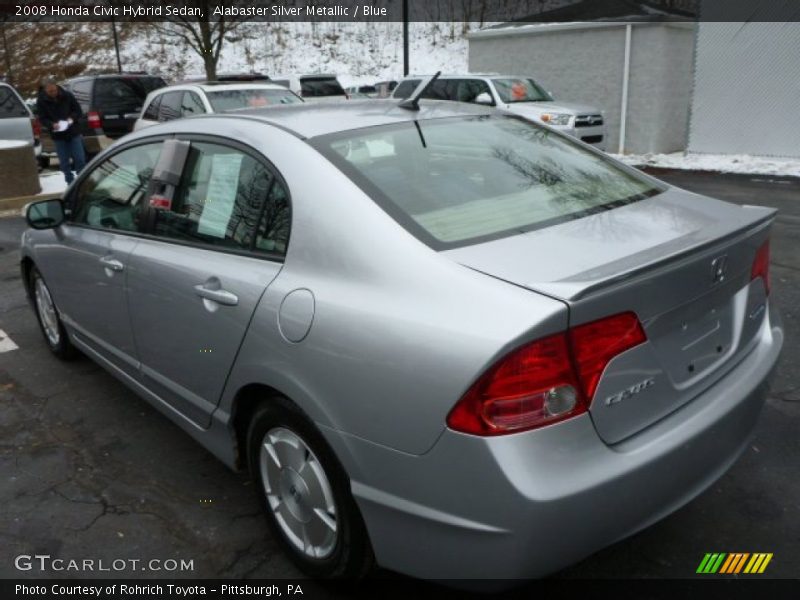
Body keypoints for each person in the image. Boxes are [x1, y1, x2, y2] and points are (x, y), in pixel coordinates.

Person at [37, 77, 86, 184]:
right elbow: (42, 118)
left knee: (80, 159)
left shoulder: (67, 95)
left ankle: (82, 182)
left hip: (73, 132)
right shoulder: (41, 101)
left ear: (56, 86)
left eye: (54, 90)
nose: (53, 93)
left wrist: (71, 119)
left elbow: (78, 111)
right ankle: (70, 183)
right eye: (50, 91)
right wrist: (51, 124)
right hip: (58, 135)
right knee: (64, 163)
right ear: (45, 90)